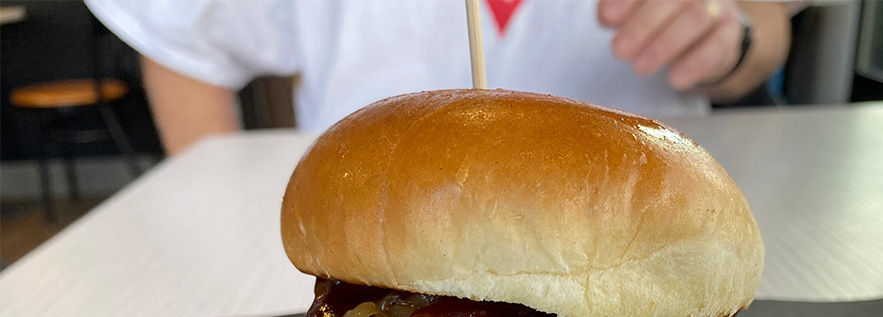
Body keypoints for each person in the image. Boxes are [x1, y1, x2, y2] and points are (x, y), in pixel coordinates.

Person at [86, 0, 799, 155]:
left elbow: (767, 31)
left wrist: (731, 34)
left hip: (649, 236)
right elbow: (185, 40)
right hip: (375, 248)